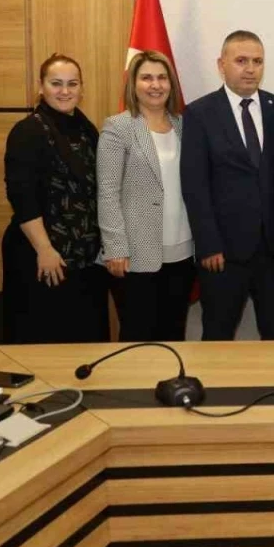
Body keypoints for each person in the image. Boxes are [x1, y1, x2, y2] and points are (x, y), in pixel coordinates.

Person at [181, 31, 274, 340]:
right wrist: (208, 244)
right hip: (223, 253)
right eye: (241, 61)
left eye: (257, 61)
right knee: (218, 336)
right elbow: (195, 185)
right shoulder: (199, 113)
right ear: (221, 65)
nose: (250, 69)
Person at [4, 54, 109, 343]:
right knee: (46, 342)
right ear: (41, 87)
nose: (65, 91)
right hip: (44, 257)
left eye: (72, 84)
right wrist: (45, 249)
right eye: (56, 83)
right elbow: (21, 196)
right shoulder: (27, 131)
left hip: (85, 258)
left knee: (85, 342)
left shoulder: (87, 129)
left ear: (81, 88)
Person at [98, 50, 195, 342]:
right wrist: (115, 247)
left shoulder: (184, 125)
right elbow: (107, 191)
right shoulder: (118, 127)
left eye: (162, 78)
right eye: (147, 78)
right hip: (135, 255)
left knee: (173, 335)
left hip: (183, 251)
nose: (155, 85)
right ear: (134, 84)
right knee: (138, 336)